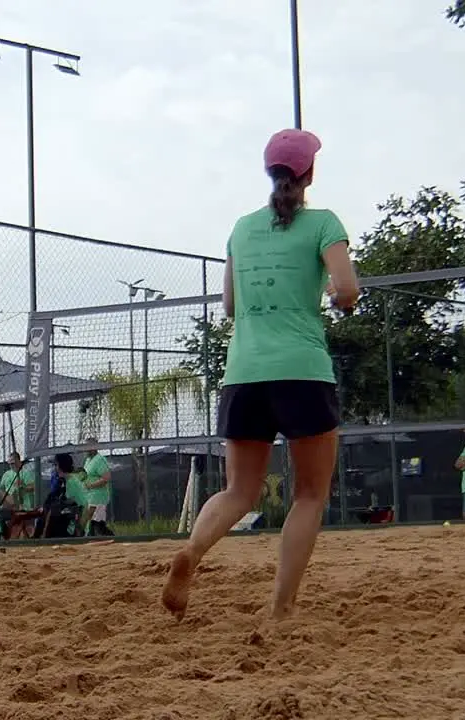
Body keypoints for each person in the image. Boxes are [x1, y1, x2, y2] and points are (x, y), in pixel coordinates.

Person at [161, 128, 360, 621]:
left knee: (238, 491)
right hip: (302, 370)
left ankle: (193, 551)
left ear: (269, 173)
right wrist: (338, 299)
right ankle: (280, 608)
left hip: (243, 371)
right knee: (310, 493)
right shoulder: (324, 224)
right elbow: (348, 287)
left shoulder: (242, 228)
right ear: (309, 173)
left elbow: (230, 304)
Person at [82, 439, 113, 536]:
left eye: (87, 447)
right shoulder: (88, 460)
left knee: (97, 523)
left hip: (98, 496)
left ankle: (112, 539)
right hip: (89, 496)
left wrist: (91, 485)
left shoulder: (99, 459)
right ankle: (90, 538)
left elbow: (106, 478)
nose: (84, 449)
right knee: (91, 522)